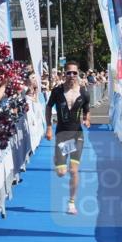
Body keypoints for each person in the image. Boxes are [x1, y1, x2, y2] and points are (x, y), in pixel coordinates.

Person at [45, 61, 90, 215]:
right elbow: (48, 107)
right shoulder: (57, 91)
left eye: (74, 73)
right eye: (69, 72)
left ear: (78, 74)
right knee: (61, 172)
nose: (71, 75)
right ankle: (58, 159)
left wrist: (87, 119)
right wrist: (49, 127)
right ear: (64, 74)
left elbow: (87, 109)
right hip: (61, 135)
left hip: (77, 135)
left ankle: (71, 203)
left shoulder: (84, 92)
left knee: (74, 170)